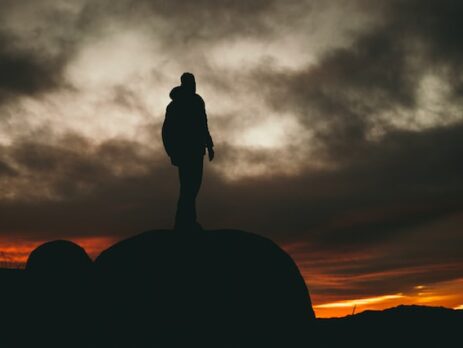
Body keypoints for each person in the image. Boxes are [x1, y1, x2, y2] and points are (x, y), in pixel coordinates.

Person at [162, 72, 214, 230]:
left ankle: (187, 220)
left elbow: (203, 123)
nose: (194, 85)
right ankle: (184, 222)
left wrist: (209, 145)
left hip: (198, 149)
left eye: (194, 82)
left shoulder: (198, 101)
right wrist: (171, 151)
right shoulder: (175, 105)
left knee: (194, 186)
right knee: (188, 186)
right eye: (191, 82)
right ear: (184, 84)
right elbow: (167, 130)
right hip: (185, 151)